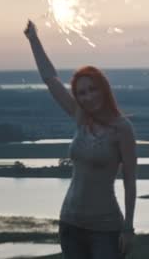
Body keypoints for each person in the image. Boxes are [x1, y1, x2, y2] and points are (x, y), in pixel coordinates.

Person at [23, 20, 137, 259]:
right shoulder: (81, 117)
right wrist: (34, 39)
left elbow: (130, 181)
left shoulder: (122, 129)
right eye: (82, 93)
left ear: (104, 89)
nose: (88, 97)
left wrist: (128, 228)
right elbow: (50, 78)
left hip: (105, 229)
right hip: (70, 224)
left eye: (92, 89)